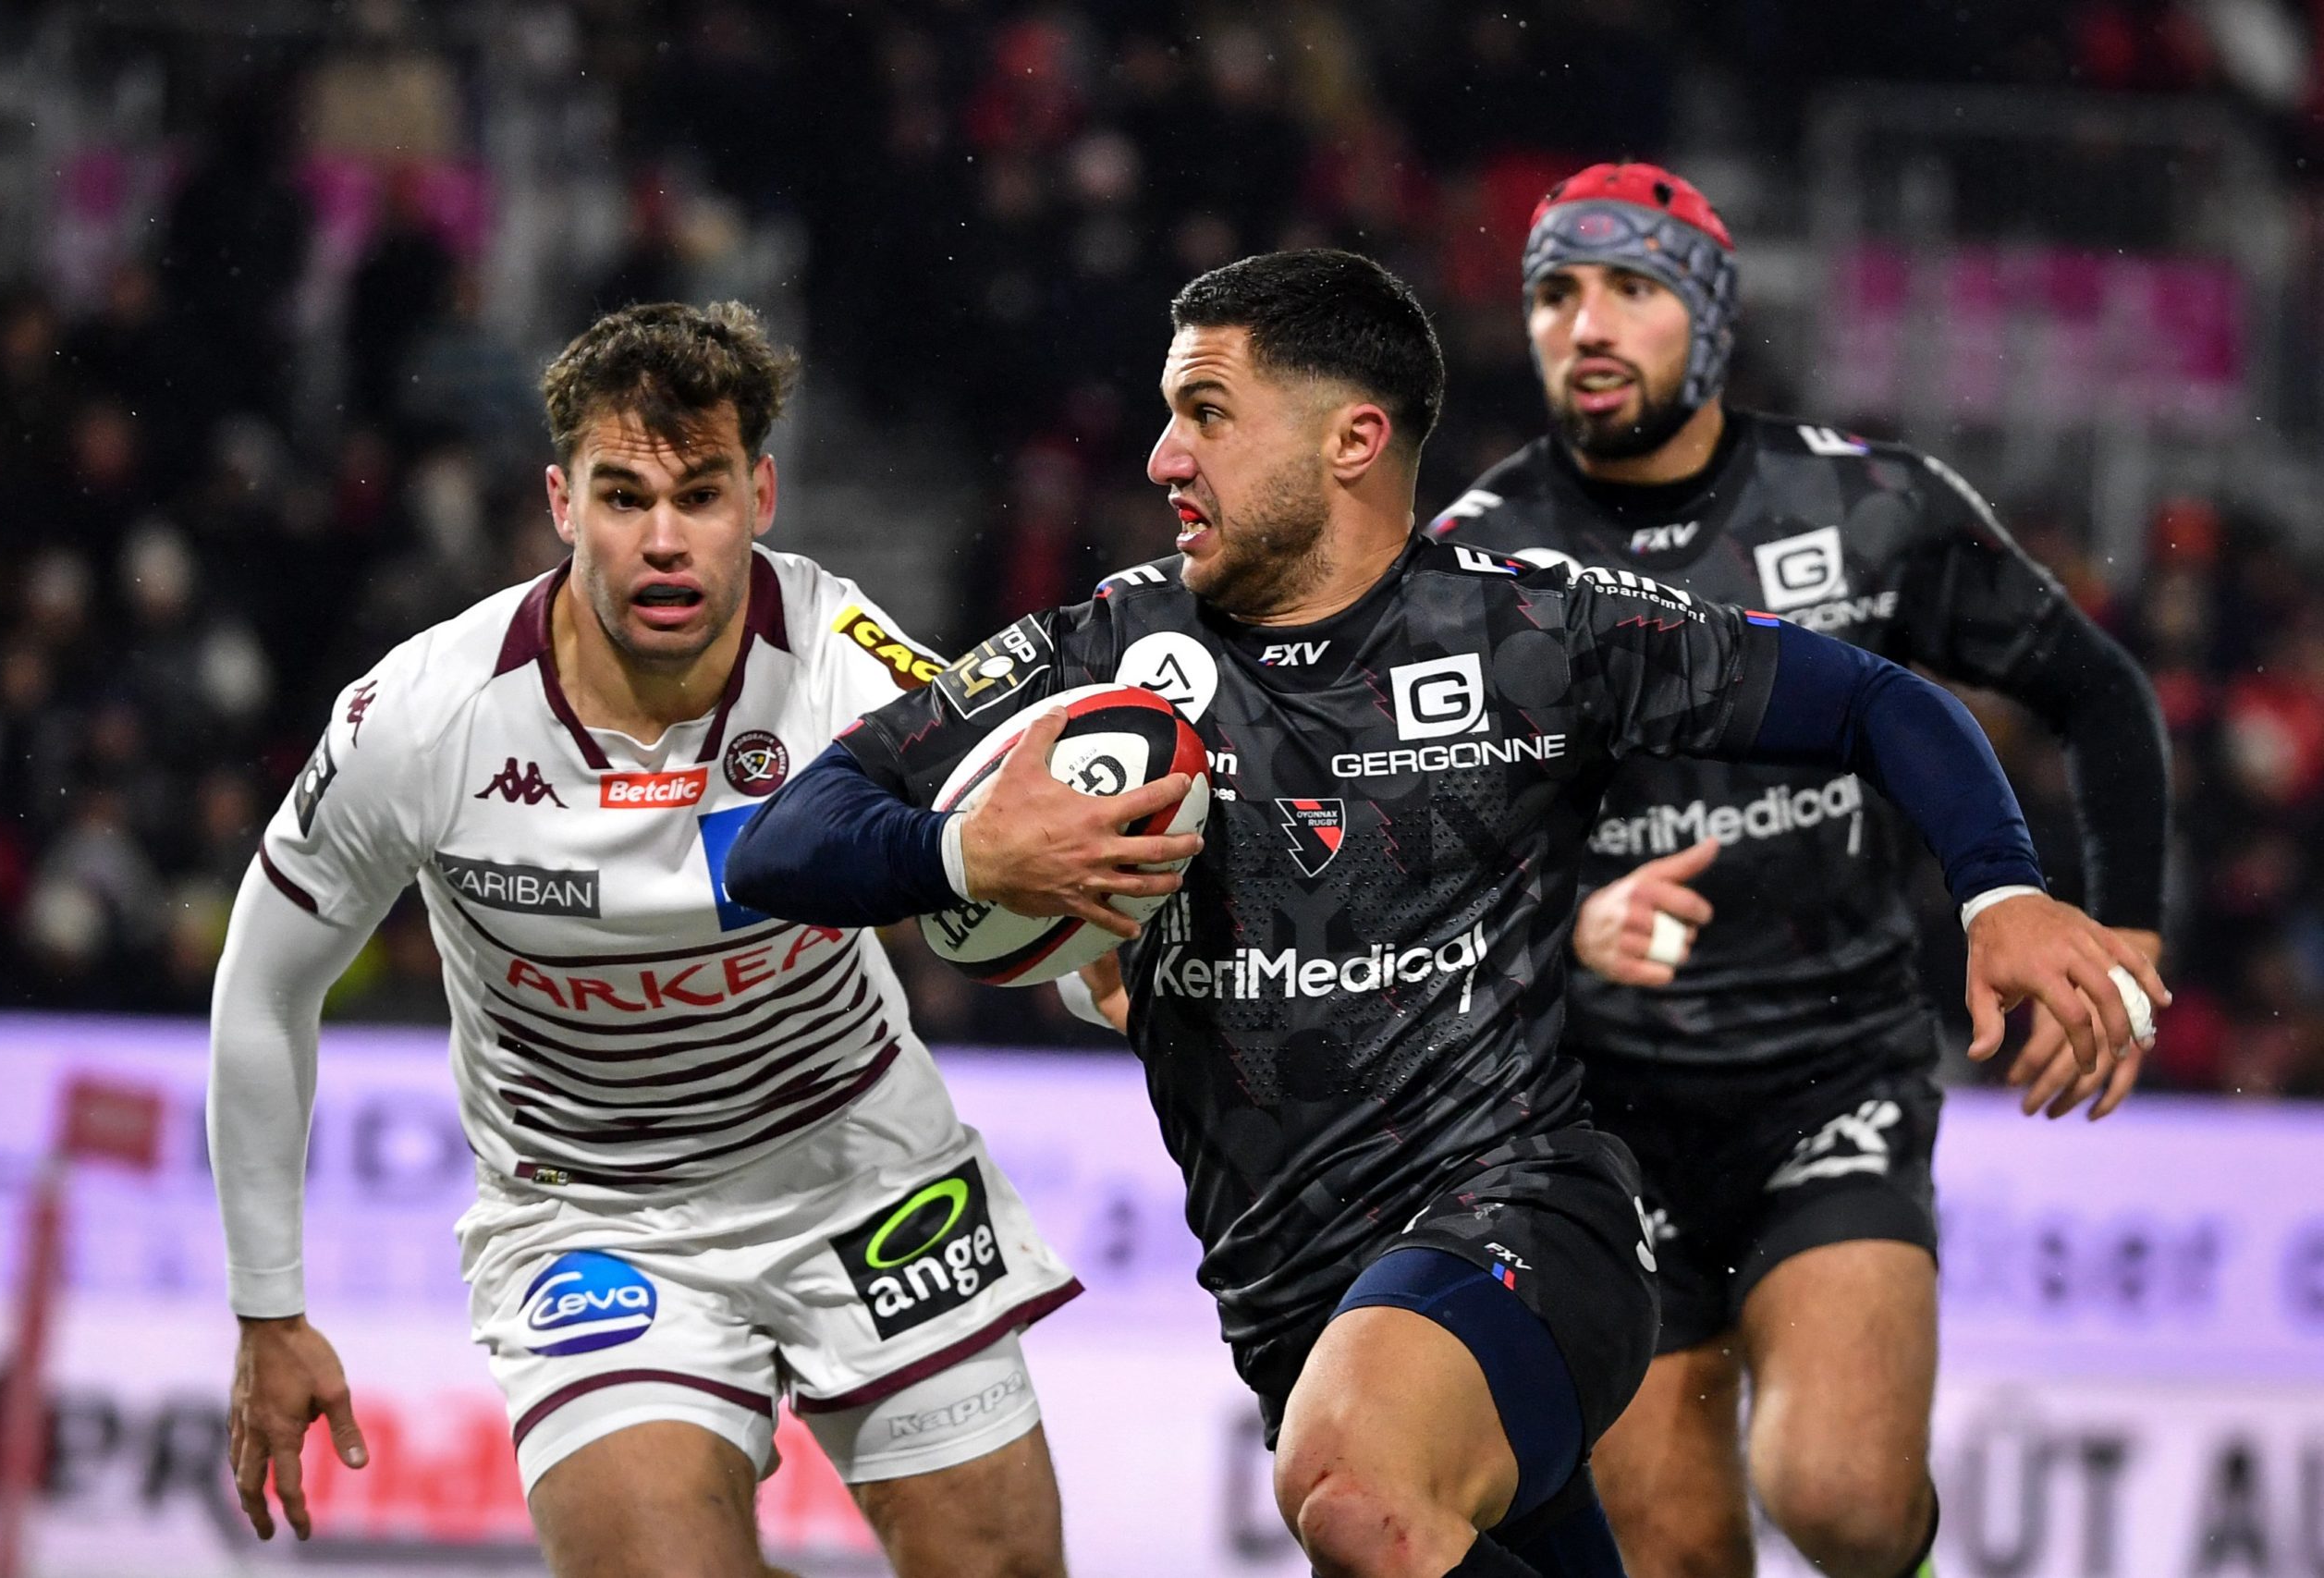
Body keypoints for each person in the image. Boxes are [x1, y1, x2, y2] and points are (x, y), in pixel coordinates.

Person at [721, 250, 2167, 1578]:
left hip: (1528, 1217)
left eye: (1207, 414)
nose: (1162, 458)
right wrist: (971, 853)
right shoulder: (1106, 647)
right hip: (1292, 1296)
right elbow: (790, 842)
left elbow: (1878, 698)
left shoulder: (1531, 634)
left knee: (1353, 1490)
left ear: (1353, 440)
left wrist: (2004, 889)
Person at [207, 301, 1079, 1578]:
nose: (663, 542)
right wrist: (267, 1309)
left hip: (861, 1167)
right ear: (561, 503)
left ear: (762, 495)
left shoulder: (847, 660)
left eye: (701, 494)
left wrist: (1100, 960)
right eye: (624, 497)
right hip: (593, 1220)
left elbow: (1017, 855)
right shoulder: (426, 711)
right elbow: (261, 989)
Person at [1431, 163, 2171, 1578]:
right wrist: (1570, 921)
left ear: (1708, 318)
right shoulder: (1468, 563)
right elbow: (1432, 851)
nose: (1584, 325)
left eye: (1631, 290)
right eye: (1553, 293)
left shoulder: (1871, 503)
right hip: (1596, 1115)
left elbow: (2097, 691)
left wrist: (2120, 922)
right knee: (1675, 1554)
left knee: (1837, 1496)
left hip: (1833, 1078)